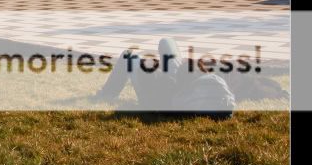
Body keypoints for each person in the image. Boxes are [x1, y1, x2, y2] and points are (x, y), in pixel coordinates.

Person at [94, 38, 235, 117]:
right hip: (184, 81)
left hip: (162, 90)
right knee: (166, 42)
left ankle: (107, 93)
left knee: (128, 54)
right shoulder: (216, 89)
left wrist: (157, 69)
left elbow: (155, 83)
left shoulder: (171, 98)